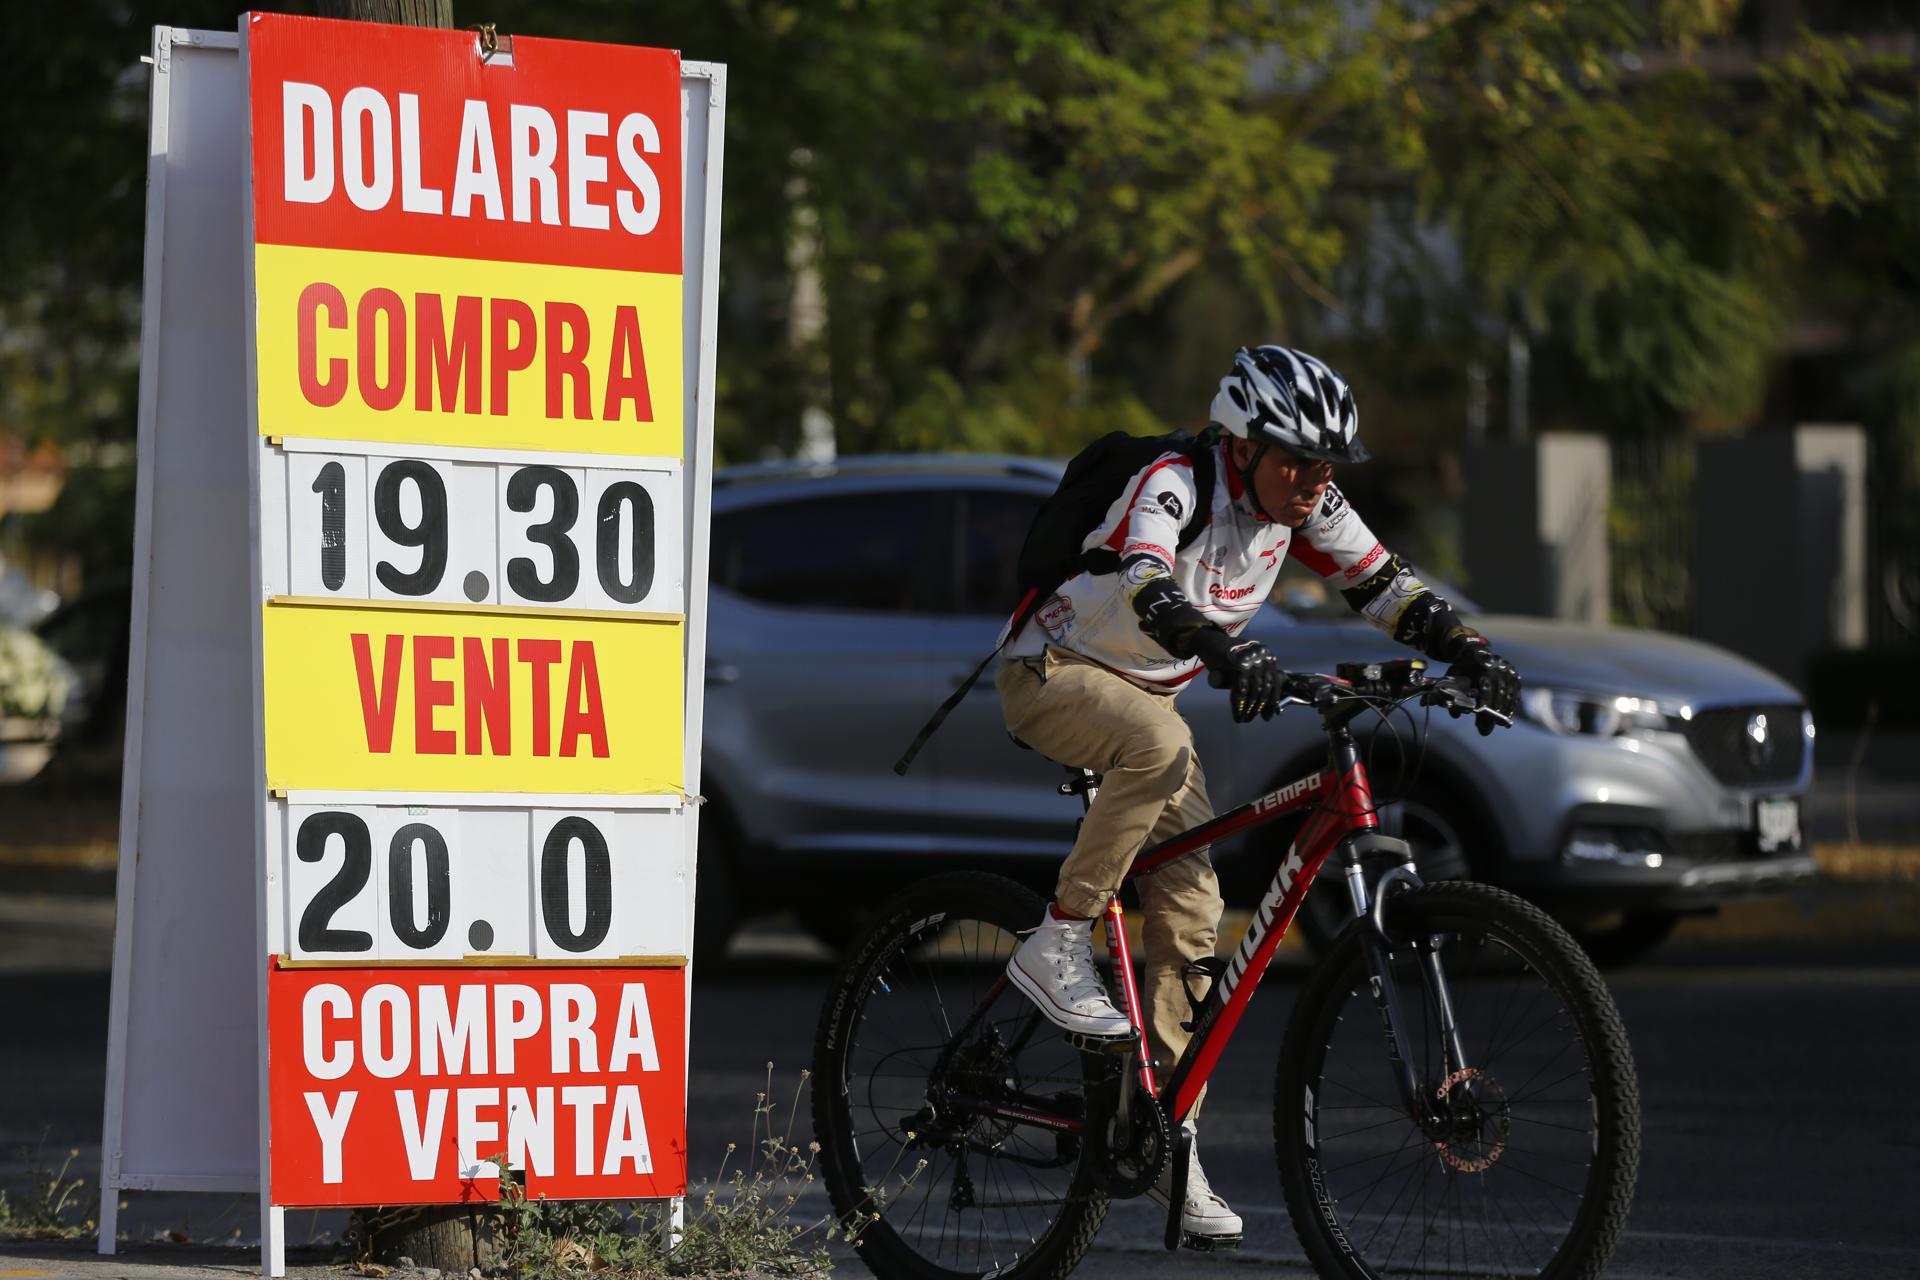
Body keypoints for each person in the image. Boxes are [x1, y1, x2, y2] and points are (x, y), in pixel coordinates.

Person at [994, 344, 1521, 1244]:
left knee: (1193, 912)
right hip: (1054, 671)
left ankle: (1164, 1141)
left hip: (1145, 698)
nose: (1315, 482)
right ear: (1240, 444)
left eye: (1326, 465)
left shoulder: (1304, 502)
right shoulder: (1176, 481)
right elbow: (1147, 577)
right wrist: (1225, 649)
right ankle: (1058, 938)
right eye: (1296, 460)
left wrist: (1470, 651)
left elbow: (1383, 584)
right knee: (1162, 742)